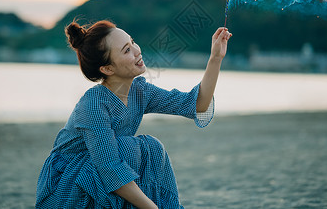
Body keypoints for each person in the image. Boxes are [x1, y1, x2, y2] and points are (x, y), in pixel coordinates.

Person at [36, 20, 231, 208]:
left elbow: (196, 104)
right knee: (129, 149)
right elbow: (109, 168)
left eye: (132, 42)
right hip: (66, 189)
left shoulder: (139, 91)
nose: (137, 51)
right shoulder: (93, 104)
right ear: (107, 68)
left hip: (102, 176)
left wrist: (215, 58)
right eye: (127, 50)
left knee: (150, 148)